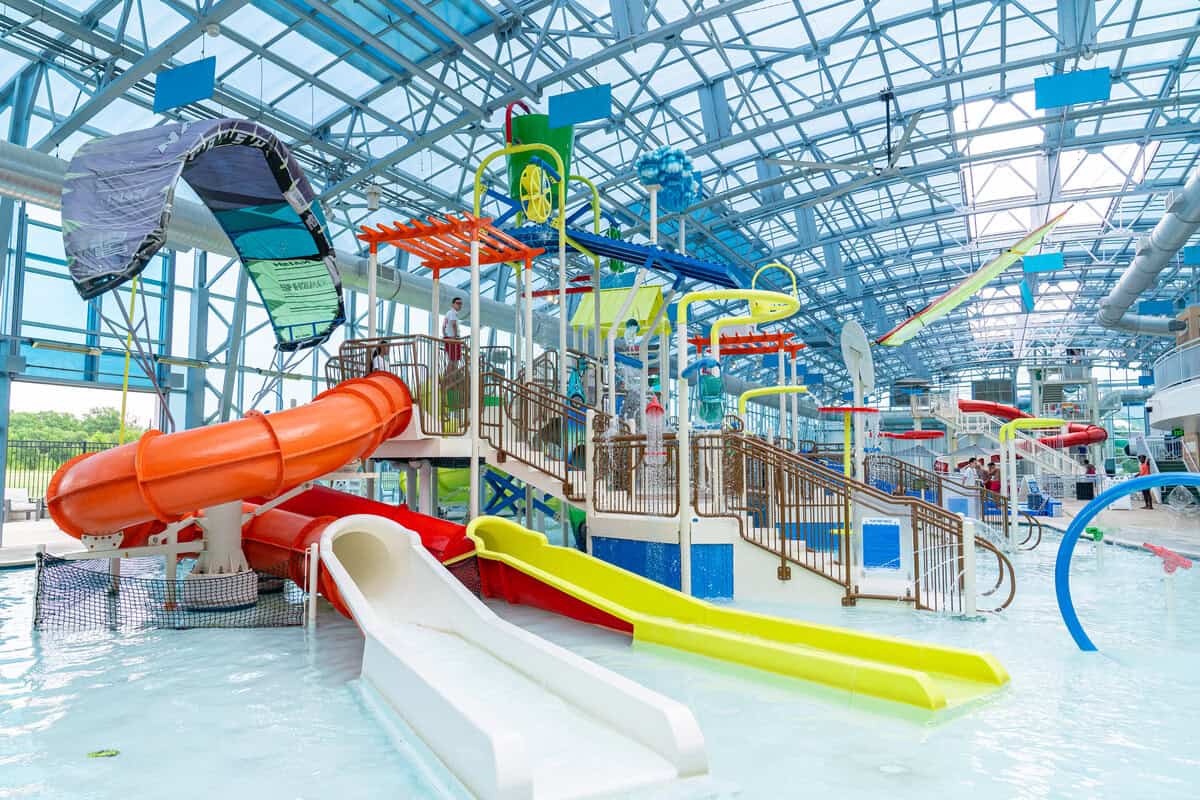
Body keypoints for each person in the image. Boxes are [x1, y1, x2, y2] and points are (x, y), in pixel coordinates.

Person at [443, 296, 463, 364]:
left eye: (461, 303)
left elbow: (443, 327)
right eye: (457, 303)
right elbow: (454, 324)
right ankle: (452, 374)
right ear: (453, 304)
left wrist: (445, 335)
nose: (459, 305)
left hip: (448, 337)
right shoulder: (453, 312)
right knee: (454, 360)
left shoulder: (448, 313)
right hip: (452, 338)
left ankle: (450, 374)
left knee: (451, 360)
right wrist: (455, 336)